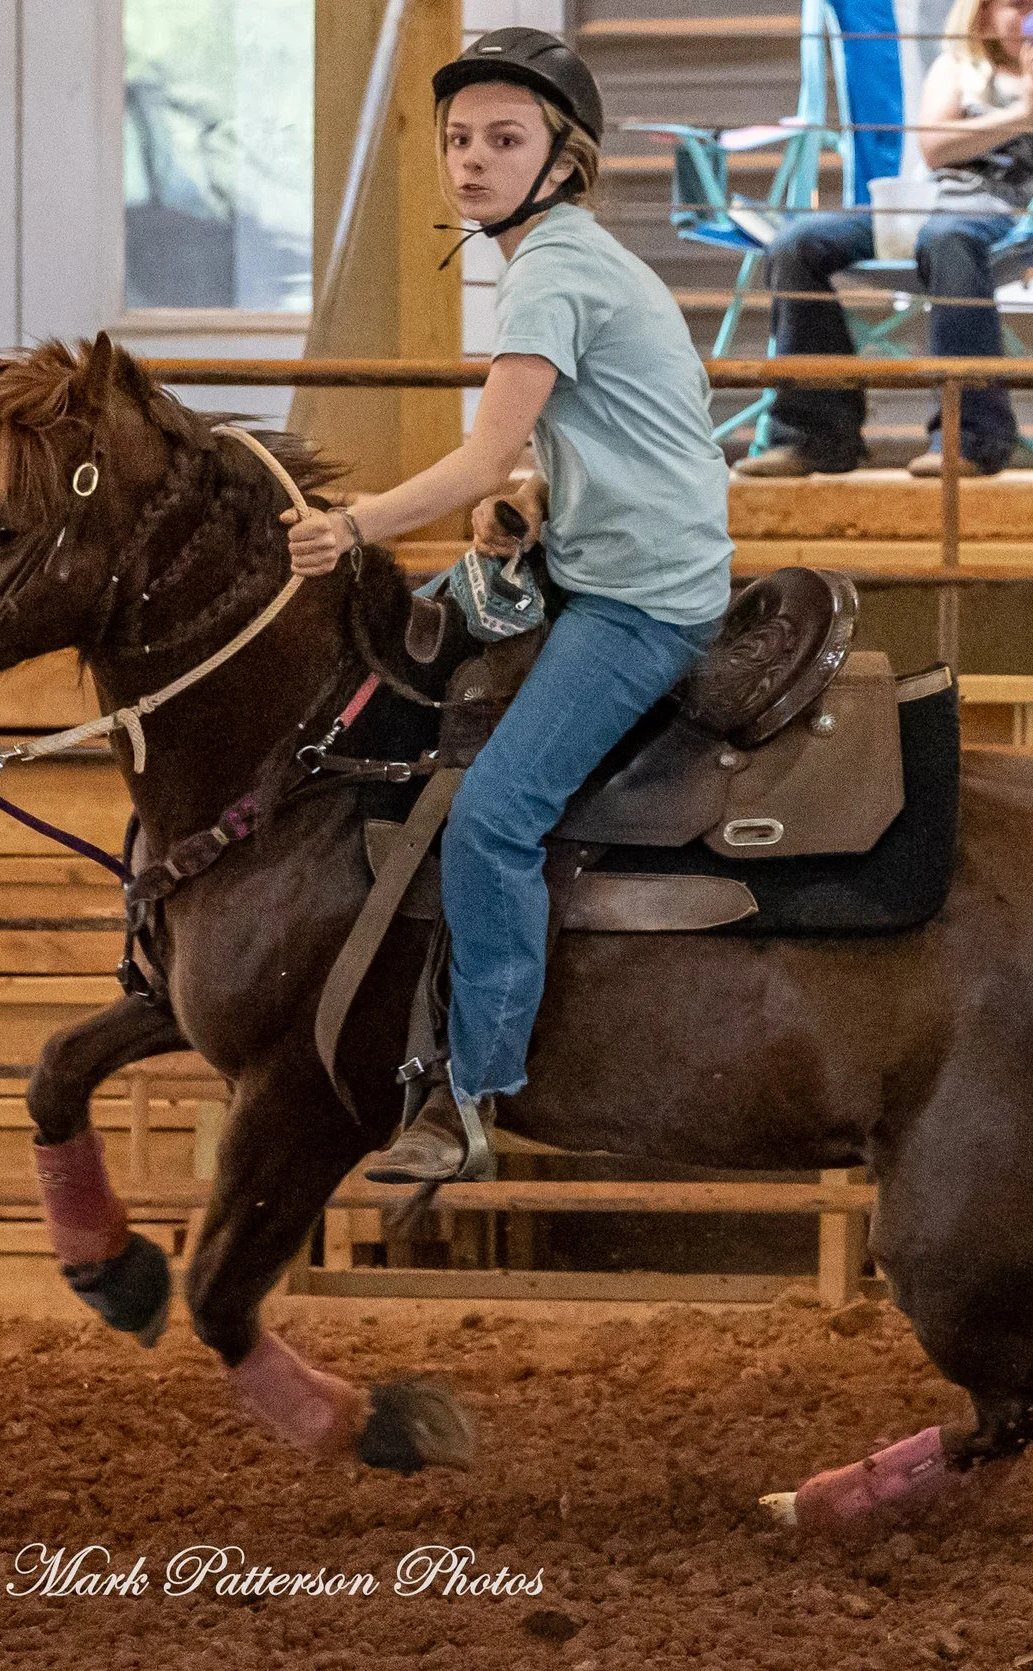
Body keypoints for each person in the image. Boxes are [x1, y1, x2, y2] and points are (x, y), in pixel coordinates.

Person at [284, 29, 733, 1182]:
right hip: (597, 555)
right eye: (458, 140)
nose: (472, 162)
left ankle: (471, 1091)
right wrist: (538, 498)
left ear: (563, 160)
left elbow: (483, 456)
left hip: (638, 600)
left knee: (493, 818)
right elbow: (598, 443)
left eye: (504, 140)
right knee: (396, 652)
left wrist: (353, 525)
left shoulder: (554, 268)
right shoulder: (576, 256)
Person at [732, 0, 1033, 478]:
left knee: (947, 238)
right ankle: (814, 436)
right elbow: (936, 148)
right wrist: (1024, 111)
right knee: (795, 242)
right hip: (930, 207)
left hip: (1020, 220)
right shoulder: (960, 69)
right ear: (984, 16)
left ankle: (970, 437)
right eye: (1020, 5)